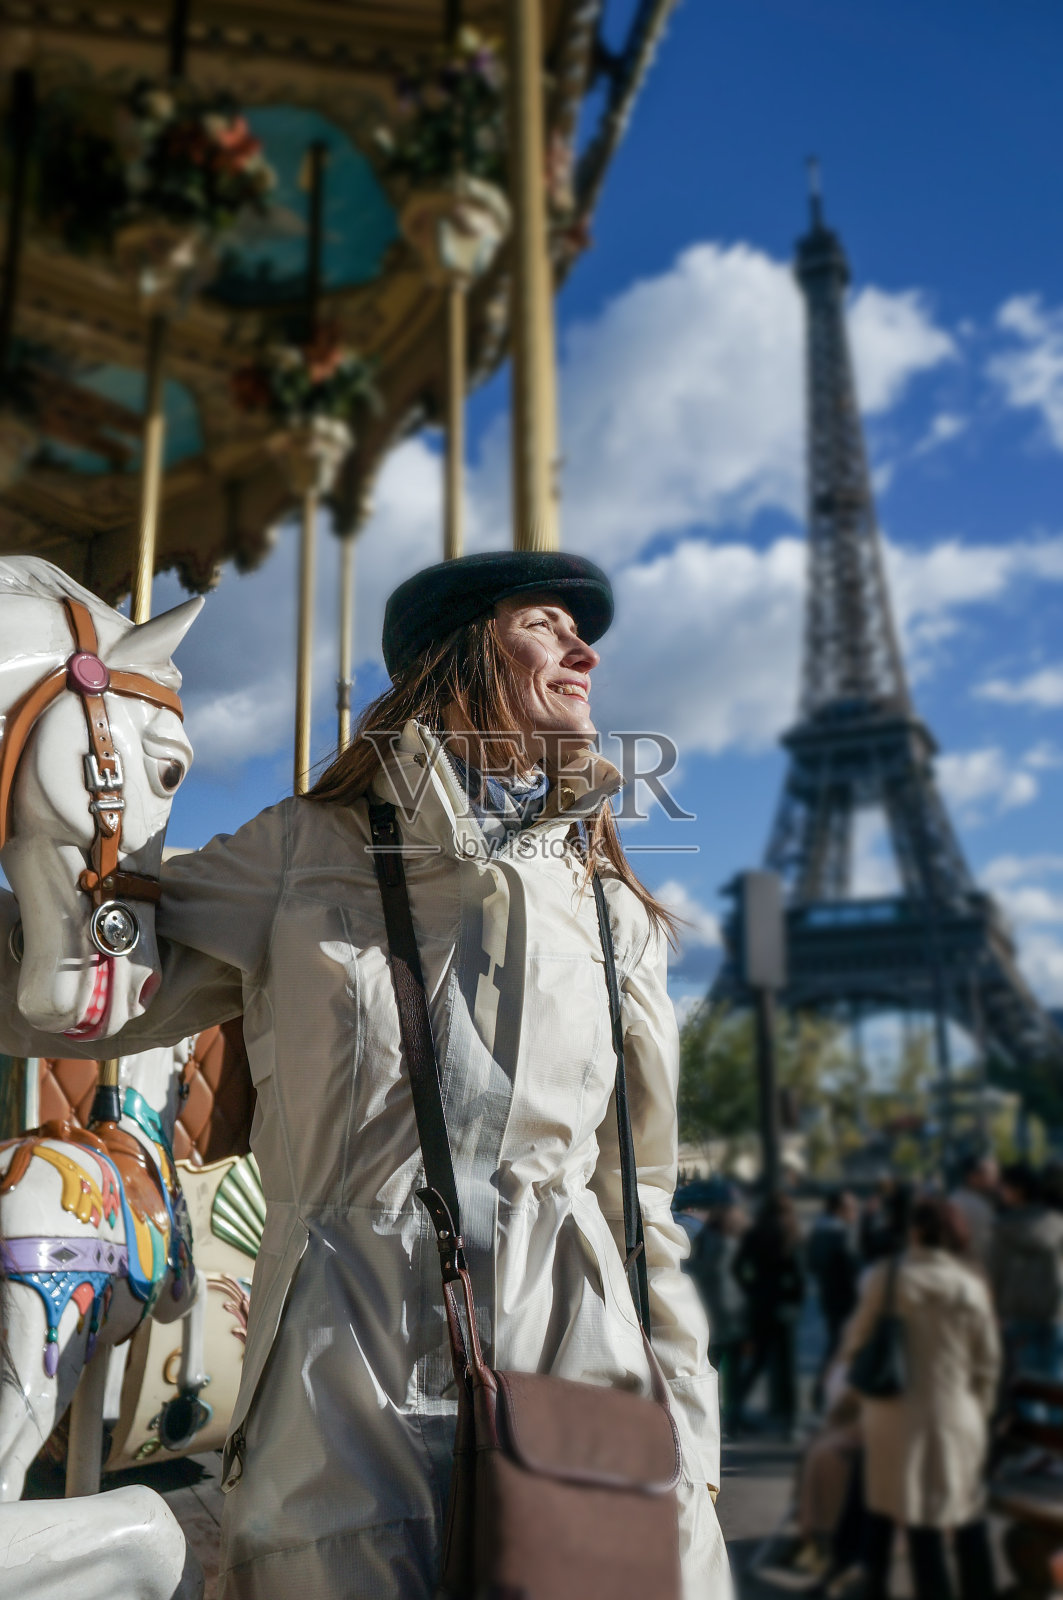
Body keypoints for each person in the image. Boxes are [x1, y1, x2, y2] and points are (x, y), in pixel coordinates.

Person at [0, 551, 728, 1599]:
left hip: (577, 1374)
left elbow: (638, 1200)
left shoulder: (614, 917)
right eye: (544, 625)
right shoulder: (300, 852)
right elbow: (88, 999)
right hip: (343, 1380)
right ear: (462, 652)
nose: (585, 651)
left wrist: (690, 1443)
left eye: (581, 632)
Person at [840, 1195, 1000, 1600]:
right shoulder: (970, 1286)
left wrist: (857, 1402)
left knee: (916, 1519)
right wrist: (977, 1411)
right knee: (965, 1517)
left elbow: (855, 1345)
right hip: (957, 1415)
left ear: (913, 1231)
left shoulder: (888, 1278)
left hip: (894, 1415)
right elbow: (988, 1364)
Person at [733, 1191, 805, 1438]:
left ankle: (734, 1413)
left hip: (760, 1306)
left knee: (756, 1362)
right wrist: (796, 1298)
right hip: (784, 1307)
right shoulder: (792, 1234)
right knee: (786, 1367)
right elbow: (800, 1275)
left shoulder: (755, 1234)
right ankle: (790, 1423)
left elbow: (738, 1267)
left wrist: (752, 1289)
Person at [992, 1160, 1063, 1383]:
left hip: (1017, 1314)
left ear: (1017, 1190)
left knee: (1024, 1383)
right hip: (1056, 1313)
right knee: (1055, 1383)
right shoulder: (1056, 1223)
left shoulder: (1002, 1228)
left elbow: (995, 1272)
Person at [684, 1191, 748, 1436]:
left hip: (708, 1313)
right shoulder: (729, 1243)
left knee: (713, 1367)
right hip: (728, 1316)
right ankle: (729, 1416)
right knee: (731, 1371)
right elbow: (731, 1282)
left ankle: (715, 1415)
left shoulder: (704, 1238)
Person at [807, 1190, 860, 1404]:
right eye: (851, 1208)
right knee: (840, 1347)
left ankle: (825, 1392)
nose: (855, 1212)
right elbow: (852, 1270)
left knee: (838, 1345)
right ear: (840, 1210)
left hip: (829, 1297)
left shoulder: (819, 1232)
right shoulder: (840, 1235)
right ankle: (822, 1392)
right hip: (845, 1300)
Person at [949, 1151, 998, 1274]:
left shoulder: (953, 1199)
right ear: (973, 1177)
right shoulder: (976, 1205)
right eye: (988, 1174)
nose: (994, 1178)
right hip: (976, 1271)